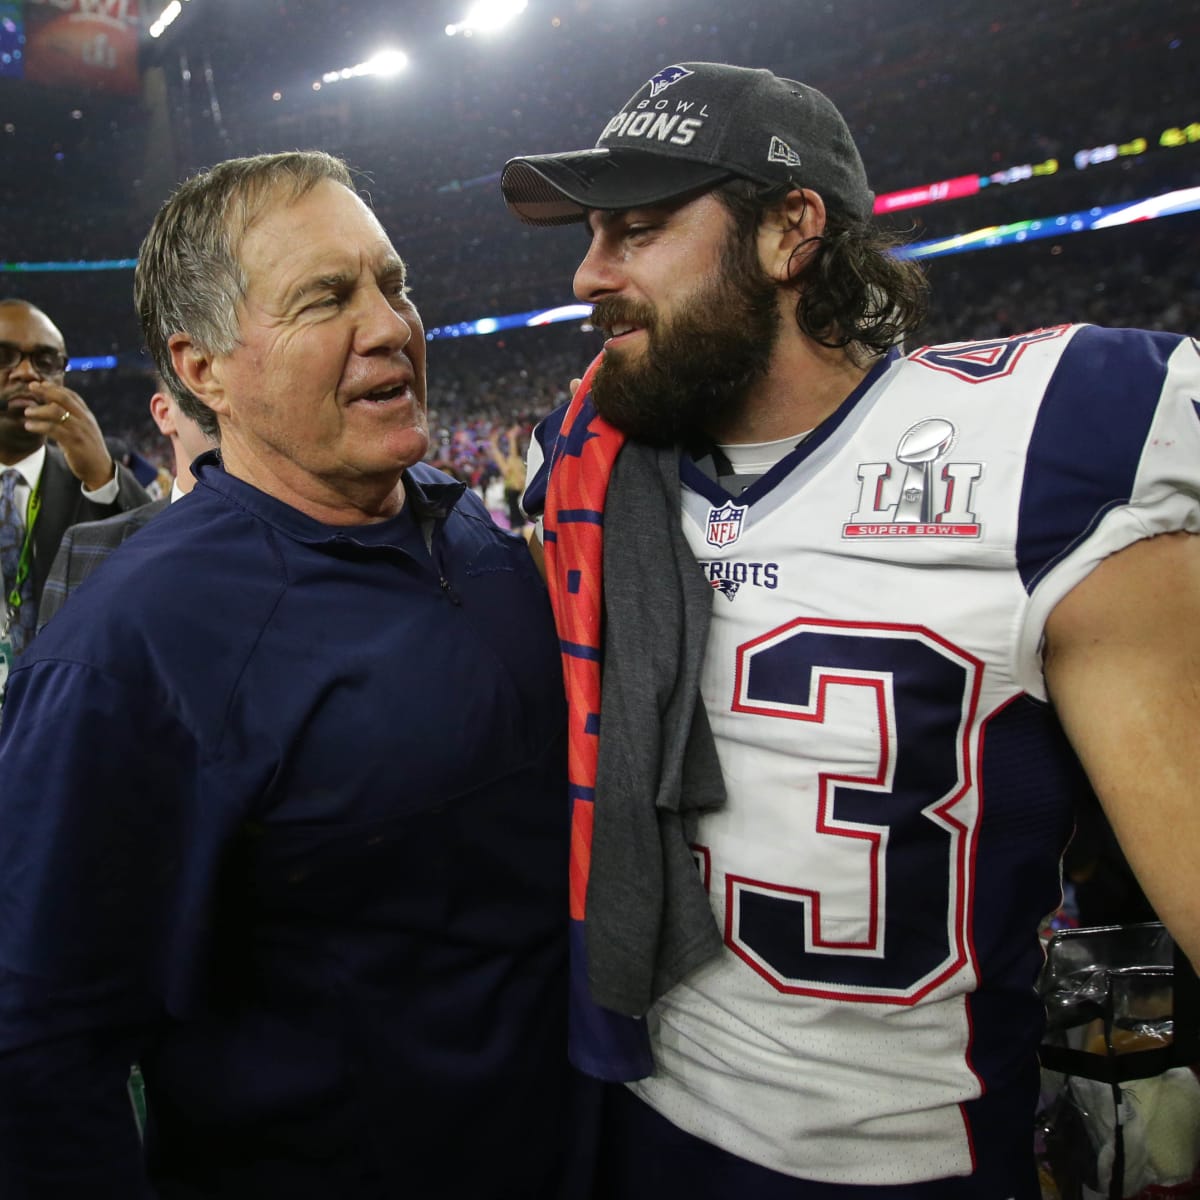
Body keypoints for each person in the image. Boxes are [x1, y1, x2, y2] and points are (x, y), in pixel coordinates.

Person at [500, 62, 1200, 1196]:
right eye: (591, 234)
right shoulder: (598, 466)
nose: (590, 275)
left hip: (908, 1160)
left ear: (791, 229)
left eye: (637, 229)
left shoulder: (1044, 449)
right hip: (638, 1110)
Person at [0, 150, 575, 1199]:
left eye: (394, 284)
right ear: (203, 367)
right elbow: (38, 1046)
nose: (392, 325)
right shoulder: (128, 647)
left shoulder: (479, 539)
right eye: (326, 297)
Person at [0, 298, 150, 660]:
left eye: (45, 361)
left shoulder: (96, 484)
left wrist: (103, 475)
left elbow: (160, 575)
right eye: (3, 356)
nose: (26, 373)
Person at [37, 380, 218, 630]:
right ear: (164, 413)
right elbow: (50, 665)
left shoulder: (289, 537)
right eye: (209, 386)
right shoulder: (84, 549)